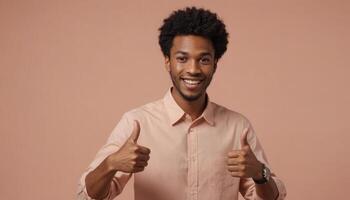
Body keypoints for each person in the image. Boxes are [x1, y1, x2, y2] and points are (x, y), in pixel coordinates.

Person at [77, 7, 286, 200]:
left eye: (203, 59)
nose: (193, 69)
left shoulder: (237, 127)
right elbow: (88, 196)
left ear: (215, 64)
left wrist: (260, 173)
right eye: (182, 58)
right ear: (167, 61)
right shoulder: (137, 123)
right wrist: (111, 164)